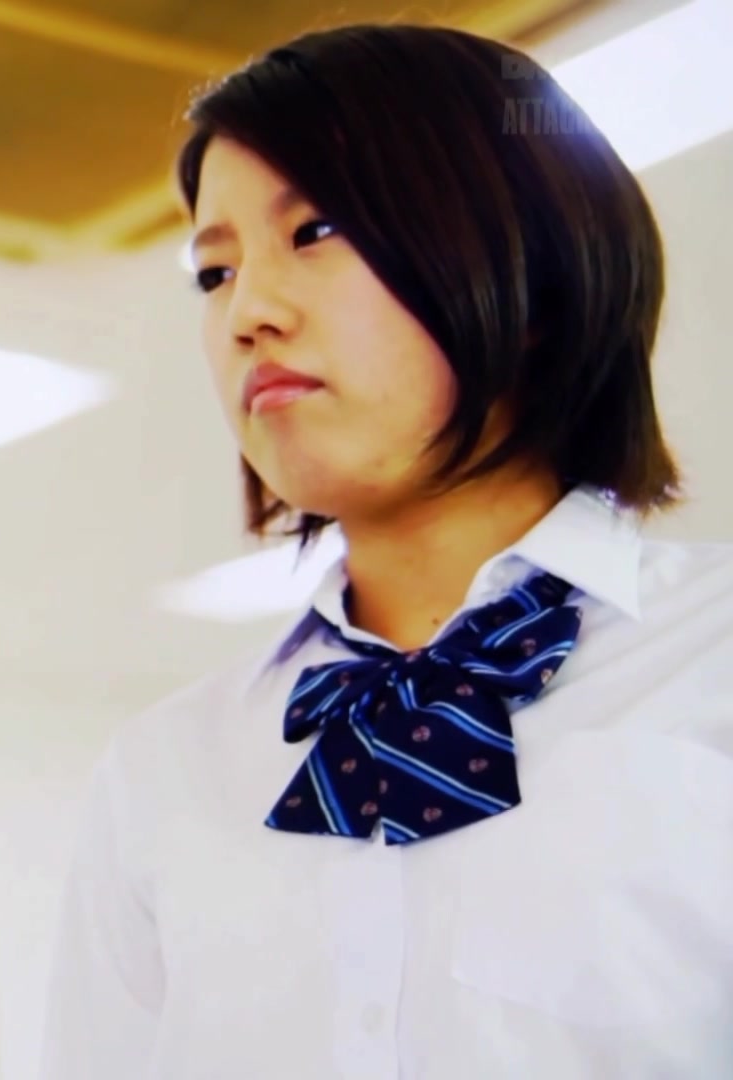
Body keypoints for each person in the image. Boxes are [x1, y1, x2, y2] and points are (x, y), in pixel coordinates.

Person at [42, 23, 733, 1078]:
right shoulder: (162, 774)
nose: (248, 312)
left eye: (315, 230)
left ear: (531, 267)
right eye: (214, 272)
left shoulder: (712, 662)